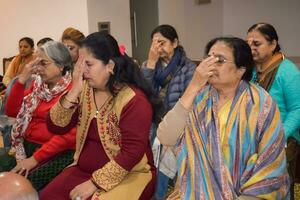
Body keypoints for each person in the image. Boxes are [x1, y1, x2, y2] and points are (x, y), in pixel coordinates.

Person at [157, 37, 290, 199]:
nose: (210, 65)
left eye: (219, 60)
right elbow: (166, 137)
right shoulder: (199, 98)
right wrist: (193, 87)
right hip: (196, 192)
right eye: (208, 58)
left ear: (241, 70)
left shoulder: (261, 105)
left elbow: (270, 164)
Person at [40, 32, 161, 200]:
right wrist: (74, 90)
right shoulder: (84, 90)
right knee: (47, 196)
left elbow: (132, 153)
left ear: (110, 65)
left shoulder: (134, 100)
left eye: (88, 64)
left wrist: (95, 183)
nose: (83, 71)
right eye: (80, 64)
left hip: (130, 174)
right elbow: (56, 126)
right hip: (83, 170)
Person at [0, 41, 76, 190]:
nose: (38, 68)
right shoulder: (38, 86)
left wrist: (34, 159)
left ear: (60, 66)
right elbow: (12, 112)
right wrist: (22, 79)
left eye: (44, 63)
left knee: (20, 186)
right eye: (37, 63)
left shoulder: (73, 91)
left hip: (54, 152)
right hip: (26, 146)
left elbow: (68, 136)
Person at [141, 24, 196, 199]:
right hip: (153, 122)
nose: (158, 48)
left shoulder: (188, 67)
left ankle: (164, 193)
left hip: (177, 125)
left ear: (175, 43)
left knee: (165, 158)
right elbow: (143, 95)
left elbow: (188, 101)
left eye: (162, 42)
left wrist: (168, 123)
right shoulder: (148, 65)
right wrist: (150, 64)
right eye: (154, 43)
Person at [247, 22, 300, 199]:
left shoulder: (288, 71)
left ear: (273, 44)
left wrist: (279, 136)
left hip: (282, 141)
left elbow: (297, 109)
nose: (251, 48)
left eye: (256, 43)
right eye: (248, 43)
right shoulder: (252, 71)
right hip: (255, 141)